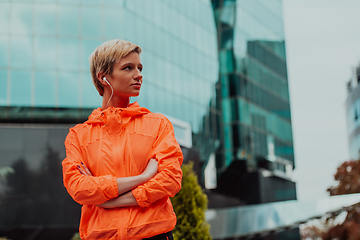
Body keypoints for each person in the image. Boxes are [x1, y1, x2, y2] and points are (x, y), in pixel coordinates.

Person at [62, 39, 183, 240]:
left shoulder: (158, 124)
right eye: (128, 68)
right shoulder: (78, 135)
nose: (138, 75)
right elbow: (79, 188)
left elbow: (170, 179)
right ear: (103, 77)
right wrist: (142, 178)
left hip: (153, 236)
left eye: (139, 68)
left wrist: (110, 201)